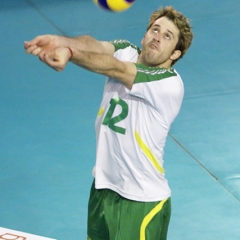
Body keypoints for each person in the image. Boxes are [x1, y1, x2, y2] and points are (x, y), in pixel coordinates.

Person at [24, 5, 193, 240]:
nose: (157, 37)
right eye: (155, 29)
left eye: (167, 36)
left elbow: (116, 68)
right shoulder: (127, 50)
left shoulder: (168, 83)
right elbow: (95, 46)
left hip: (141, 201)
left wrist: (69, 53)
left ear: (175, 54)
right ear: (144, 35)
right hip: (103, 189)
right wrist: (57, 40)